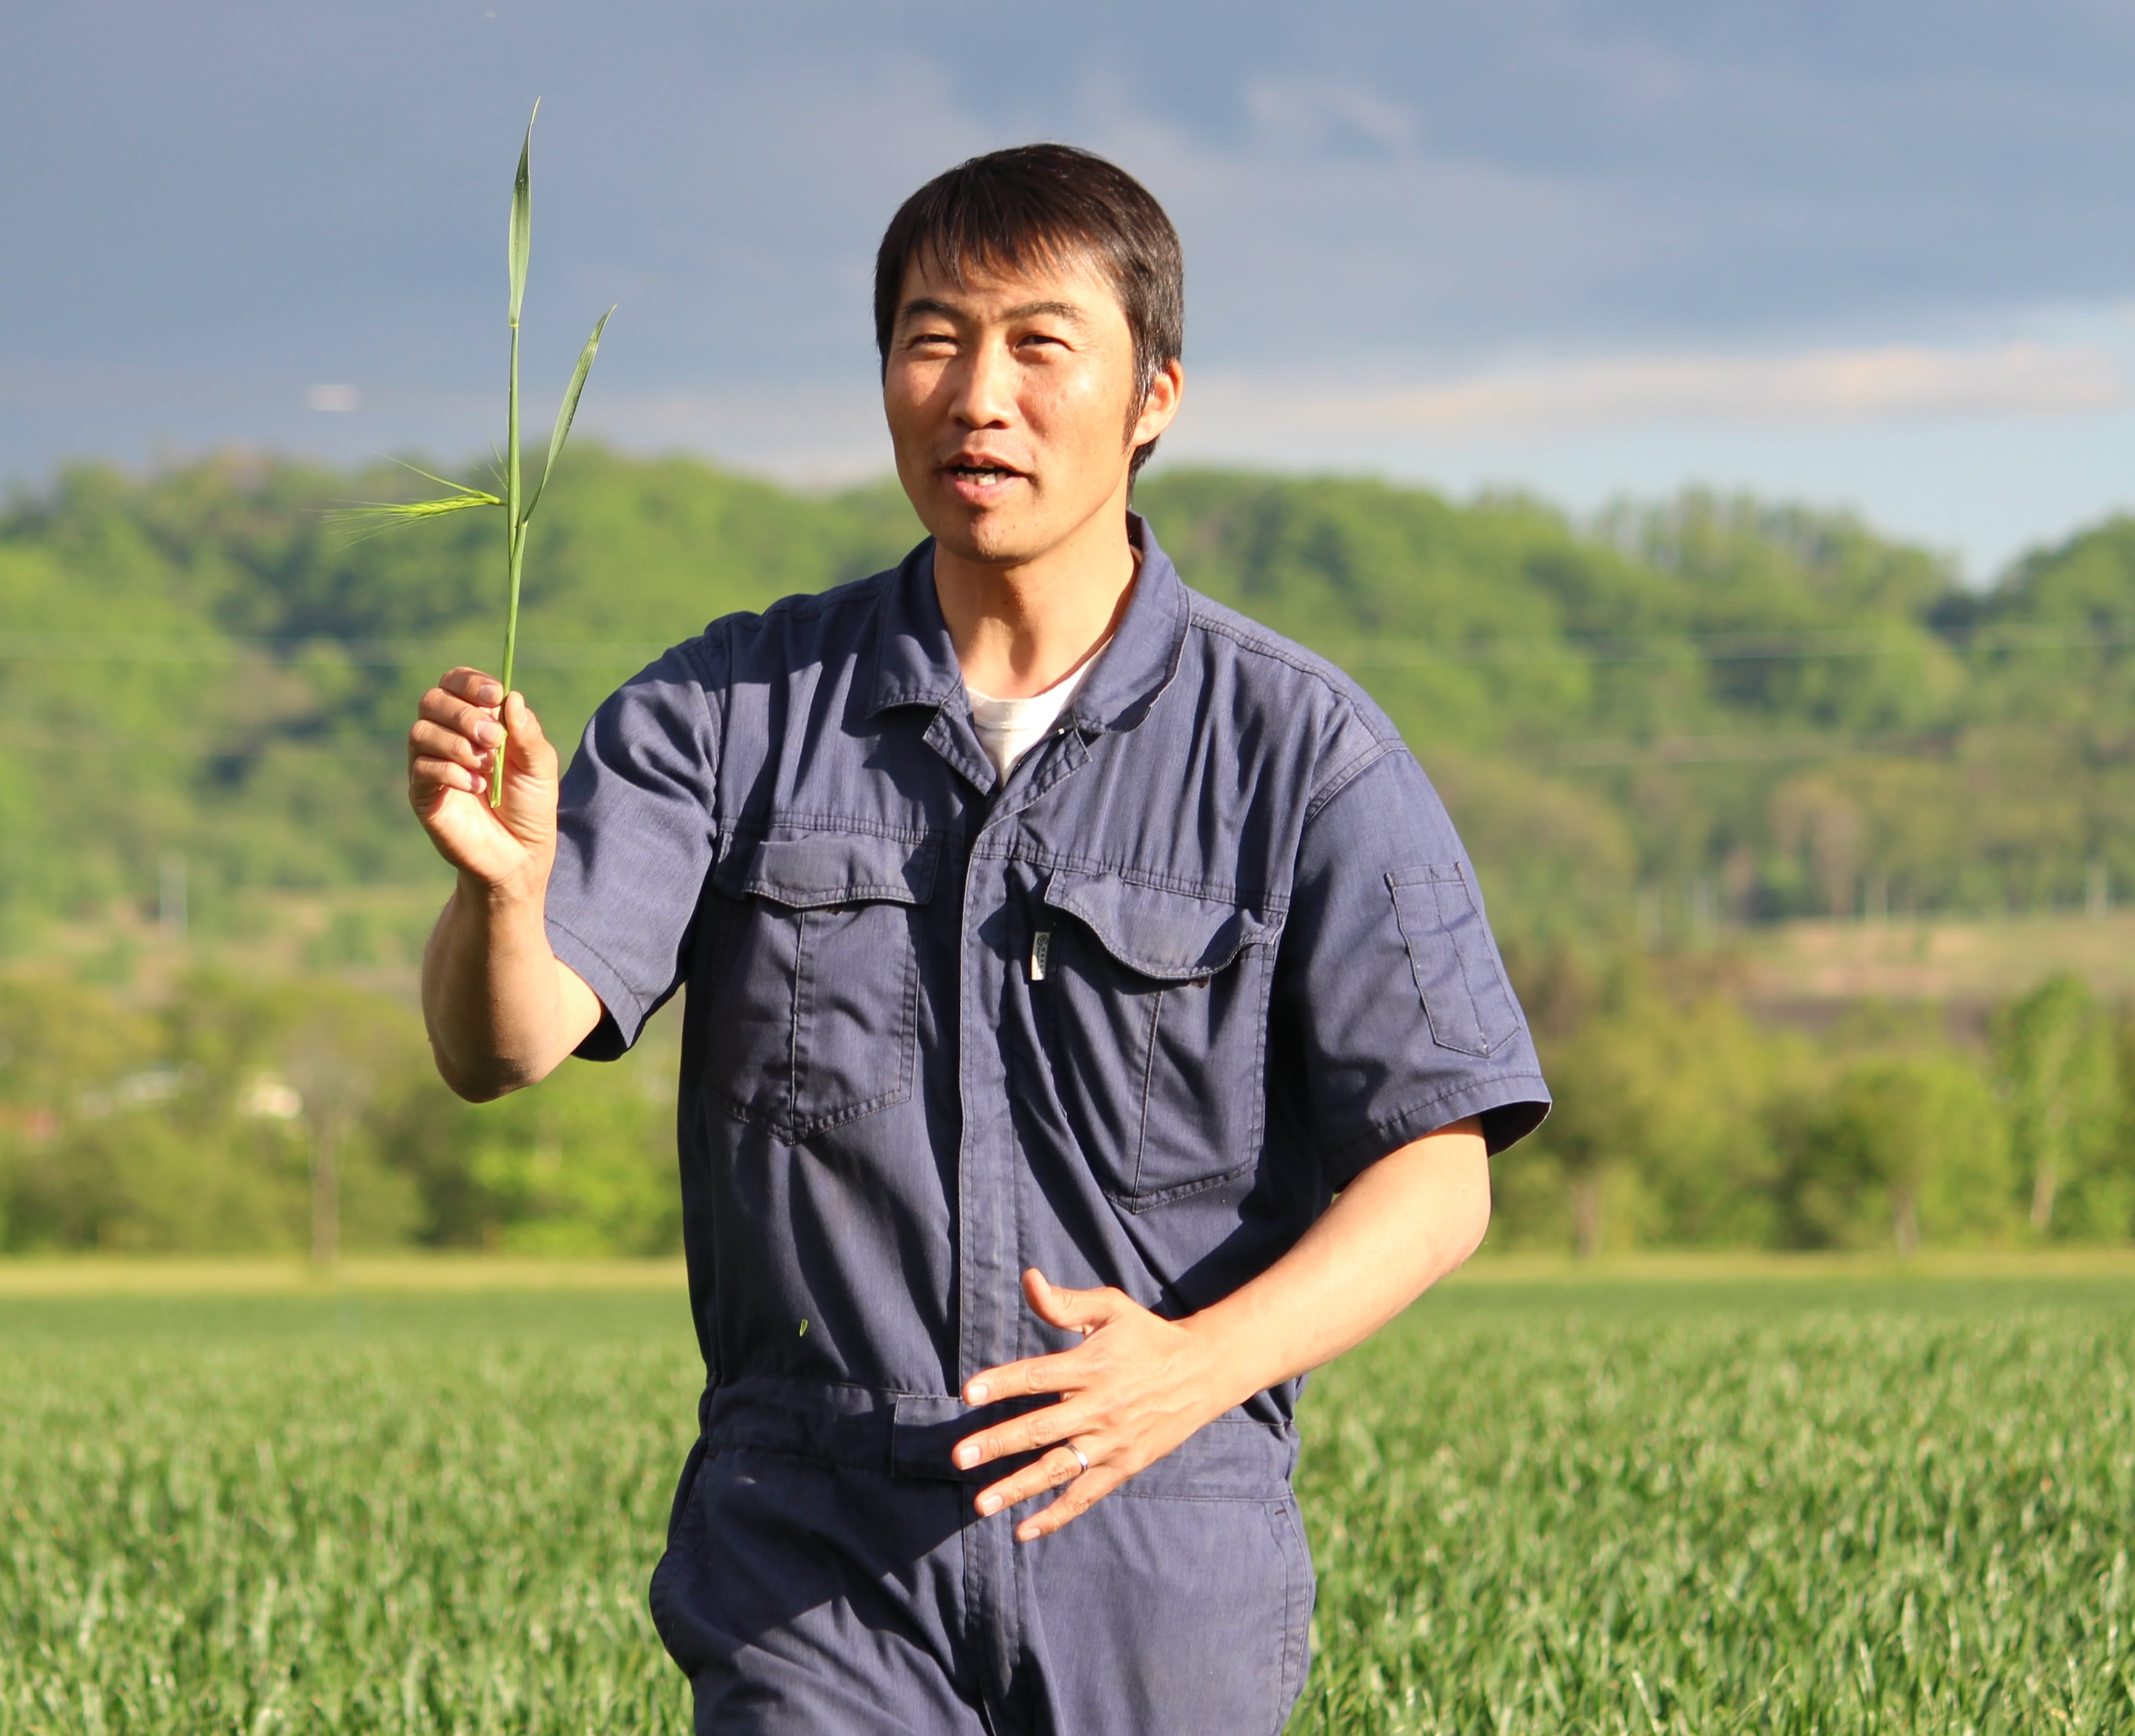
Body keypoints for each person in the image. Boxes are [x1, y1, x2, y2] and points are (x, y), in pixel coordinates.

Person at [405, 144, 1550, 1735]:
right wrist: (503, 894)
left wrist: (1192, 1368)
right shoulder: (727, 712)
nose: (976, 395)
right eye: (933, 340)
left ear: (1153, 393)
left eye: (1038, 344)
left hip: (1158, 1520)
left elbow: (1440, 1174)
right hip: (819, 1540)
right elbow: (498, 1045)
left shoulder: (1300, 748)